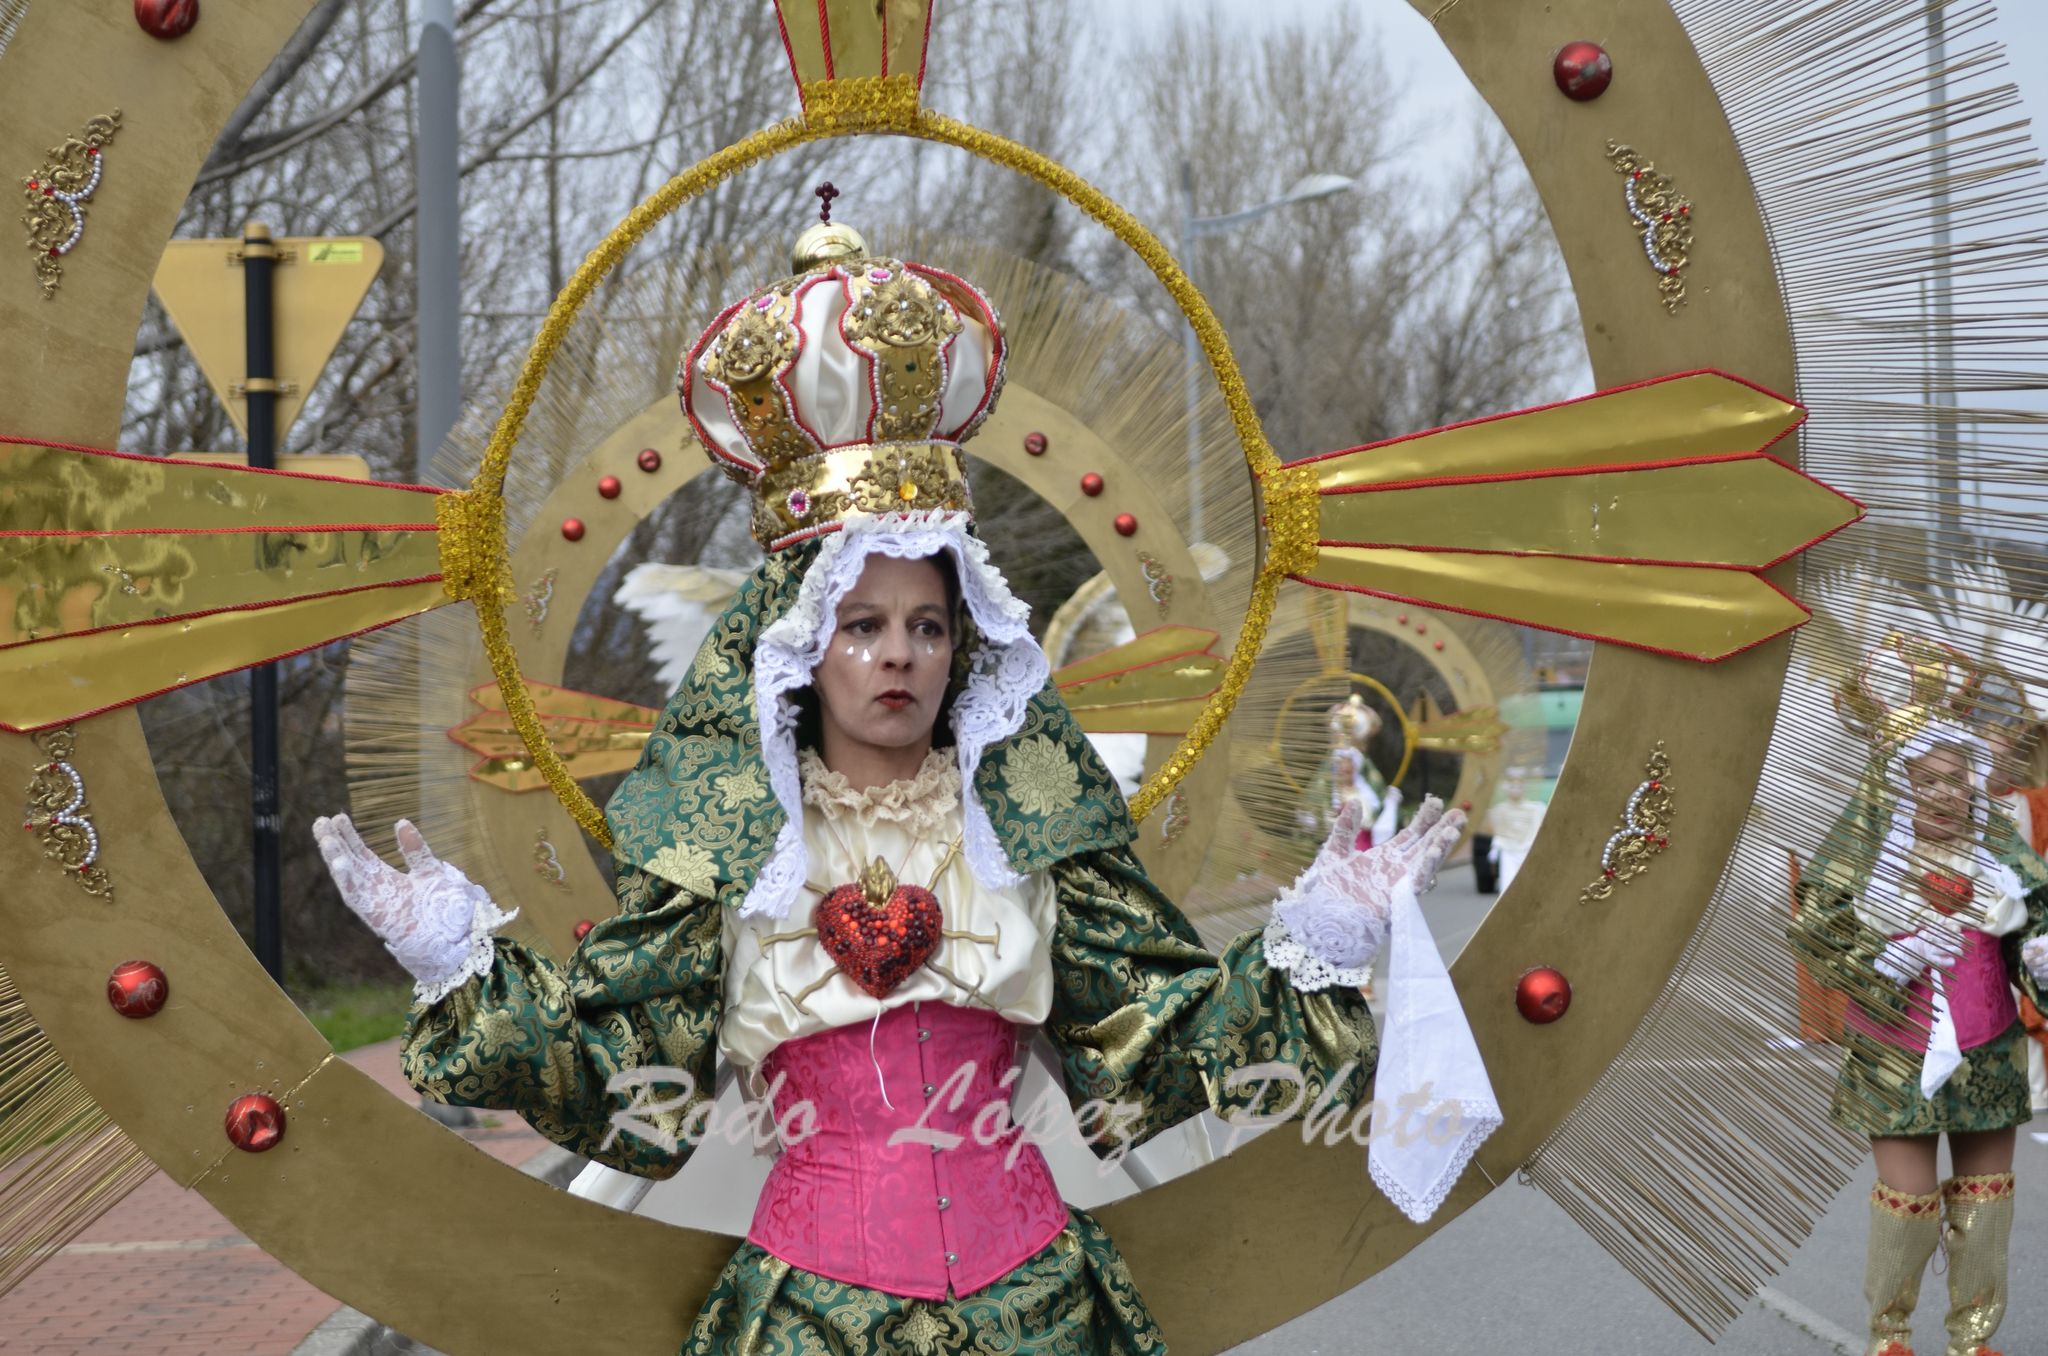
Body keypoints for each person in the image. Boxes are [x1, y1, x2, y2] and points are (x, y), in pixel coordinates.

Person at [312, 224, 1498, 1353]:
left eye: (928, 626)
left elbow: (1147, 1051)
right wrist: (454, 961)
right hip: (810, 1319)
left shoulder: (1025, 832)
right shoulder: (732, 852)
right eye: (863, 623)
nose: (898, 654)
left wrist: (1325, 931)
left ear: (964, 644)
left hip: (1035, 1305)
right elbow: (629, 1091)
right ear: (799, 646)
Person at [1789, 710, 2048, 1356]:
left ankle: (1973, 1339)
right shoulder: (1866, 851)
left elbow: (2034, 924)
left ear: (1971, 783)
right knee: (1905, 1204)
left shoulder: (1999, 853)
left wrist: (2041, 957)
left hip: (1988, 1053)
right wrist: (1887, 960)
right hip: (1893, 1058)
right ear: (1899, 787)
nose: (1943, 793)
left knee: (1986, 1205)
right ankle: (1891, 1339)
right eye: (1926, 780)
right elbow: (1815, 931)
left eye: (1955, 779)